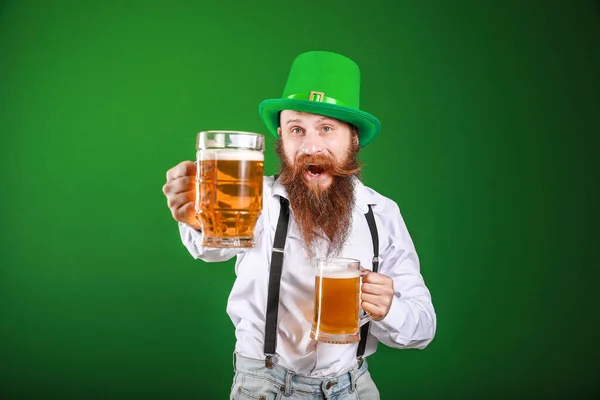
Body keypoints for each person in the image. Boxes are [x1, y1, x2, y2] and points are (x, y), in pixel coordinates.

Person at [162, 51, 436, 399]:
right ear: (281, 136)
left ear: (353, 139)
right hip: (263, 386)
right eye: (297, 129)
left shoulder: (380, 213)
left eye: (326, 128)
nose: (310, 146)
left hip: (353, 388)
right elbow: (214, 246)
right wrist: (197, 218)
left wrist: (390, 308)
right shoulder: (252, 196)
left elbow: (423, 326)